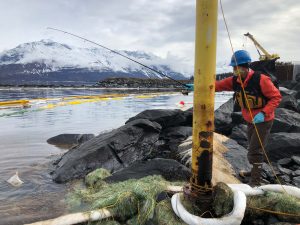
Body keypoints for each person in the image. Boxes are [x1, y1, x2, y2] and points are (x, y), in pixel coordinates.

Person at [215, 50, 282, 186]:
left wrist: (263, 113)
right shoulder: (235, 81)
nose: (234, 70)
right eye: (233, 67)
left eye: (236, 67)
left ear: (245, 66)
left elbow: (276, 97)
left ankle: (255, 182)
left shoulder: (262, 80)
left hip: (263, 120)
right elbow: (216, 86)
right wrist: (197, 87)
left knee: (255, 150)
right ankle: (254, 172)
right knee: (251, 146)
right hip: (250, 119)